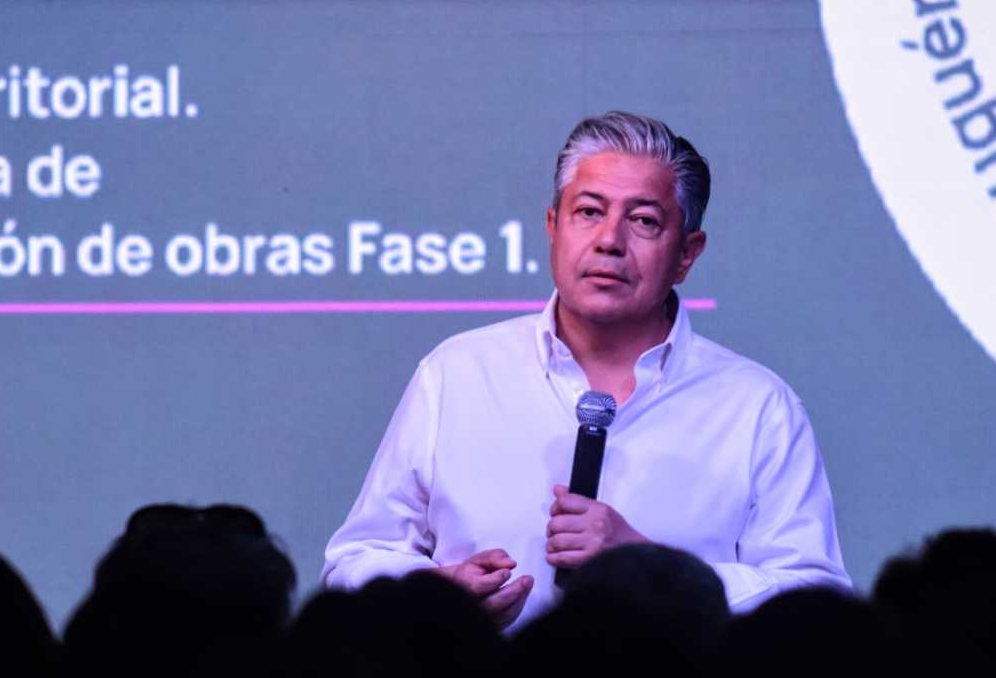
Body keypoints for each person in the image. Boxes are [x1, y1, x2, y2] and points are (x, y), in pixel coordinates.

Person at [321, 111, 850, 628]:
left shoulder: (756, 406)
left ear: (687, 254)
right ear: (554, 227)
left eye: (643, 220)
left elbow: (816, 602)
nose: (609, 241)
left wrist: (654, 568)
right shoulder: (456, 375)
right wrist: (435, 596)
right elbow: (356, 558)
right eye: (589, 212)